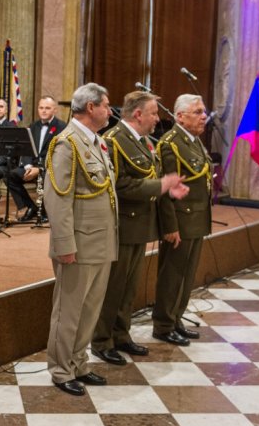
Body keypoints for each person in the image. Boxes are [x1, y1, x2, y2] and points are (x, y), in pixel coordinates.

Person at [91, 91, 188, 365]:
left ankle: (121, 335)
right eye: (154, 113)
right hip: (122, 225)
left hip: (141, 225)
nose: (158, 119)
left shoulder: (144, 142)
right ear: (138, 114)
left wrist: (166, 187)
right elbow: (119, 185)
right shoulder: (113, 141)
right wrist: (160, 186)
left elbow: (150, 176)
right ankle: (101, 340)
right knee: (114, 287)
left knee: (128, 288)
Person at [43, 83, 117, 396]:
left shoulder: (96, 142)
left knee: (88, 312)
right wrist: (65, 246)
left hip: (100, 242)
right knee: (69, 311)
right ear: (91, 108)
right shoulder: (66, 144)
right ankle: (61, 370)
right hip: (79, 245)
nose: (110, 111)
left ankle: (78, 362)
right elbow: (57, 200)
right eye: (107, 105)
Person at [153, 94, 212, 346]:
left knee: (187, 276)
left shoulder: (194, 141)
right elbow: (166, 191)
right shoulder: (171, 143)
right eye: (197, 112)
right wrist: (170, 226)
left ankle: (176, 318)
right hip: (181, 220)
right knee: (172, 275)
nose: (203, 116)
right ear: (180, 116)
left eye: (203, 111)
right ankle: (164, 324)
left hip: (197, 218)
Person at [5, 95, 66, 222]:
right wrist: (28, 166)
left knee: (46, 177)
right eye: (41, 108)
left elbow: (59, 154)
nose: (43, 111)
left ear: (55, 110)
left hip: (50, 167)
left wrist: (40, 169)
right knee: (10, 176)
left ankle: (44, 212)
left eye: (47, 108)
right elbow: (26, 148)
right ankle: (30, 207)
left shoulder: (62, 127)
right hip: (31, 165)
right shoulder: (33, 126)